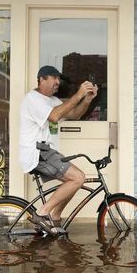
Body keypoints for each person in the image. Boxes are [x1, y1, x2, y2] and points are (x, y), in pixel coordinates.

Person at [19, 65, 98, 234]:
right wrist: (78, 93)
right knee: (78, 178)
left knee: (73, 182)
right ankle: (42, 212)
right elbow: (54, 116)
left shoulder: (53, 101)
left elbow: (75, 114)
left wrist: (87, 99)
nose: (57, 82)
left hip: (48, 152)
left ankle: (55, 216)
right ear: (42, 80)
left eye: (59, 78)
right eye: (53, 78)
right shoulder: (33, 99)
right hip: (38, 152)